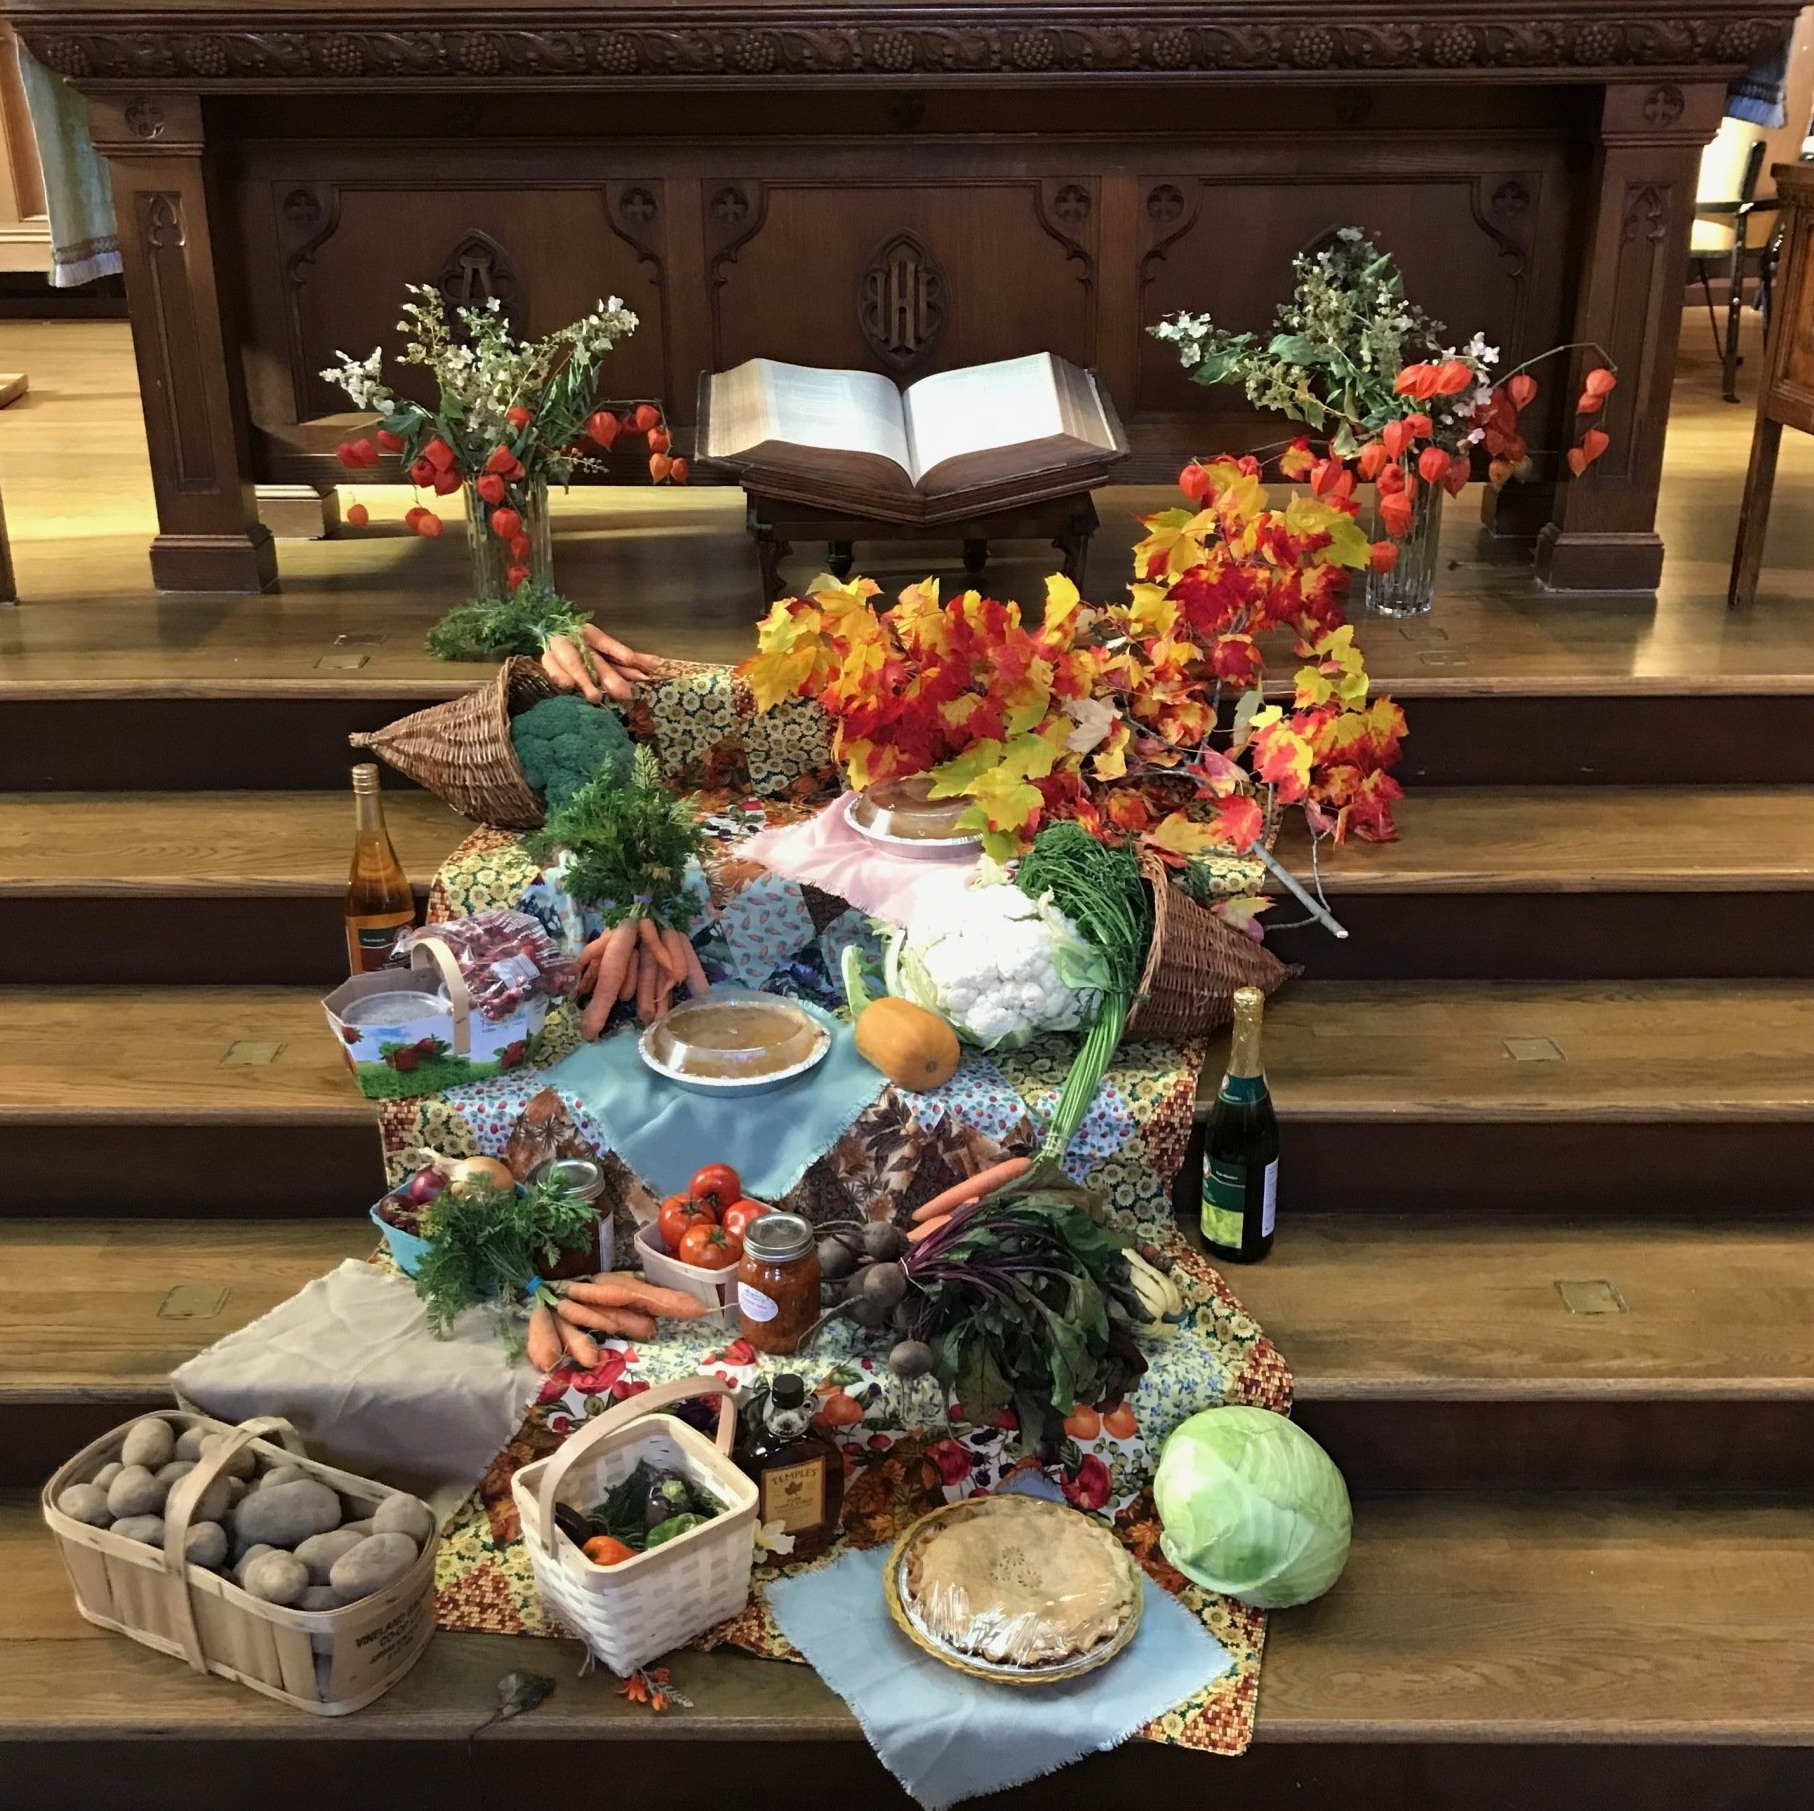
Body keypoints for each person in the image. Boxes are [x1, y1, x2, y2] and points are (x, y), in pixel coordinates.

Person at [539, 622, 663, 703]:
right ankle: (588, 687)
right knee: (596, 664)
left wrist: (631, 658)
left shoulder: (582, 633)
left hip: (583, 647)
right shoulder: (551, 652)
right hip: (564, 648)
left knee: (604, 658)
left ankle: (642, 662)